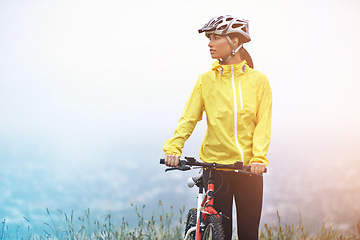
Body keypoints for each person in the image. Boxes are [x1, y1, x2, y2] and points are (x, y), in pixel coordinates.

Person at [163, 15, 272, 240]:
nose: (210, 44)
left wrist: (259, 159)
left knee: (249, 236)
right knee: (221, 236)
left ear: (234, 41)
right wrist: (173, 148)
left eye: (215, 38)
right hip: (216, 169)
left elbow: (263, 124)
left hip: (248, 170)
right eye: (209, 39)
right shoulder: (206, 80)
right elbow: (188, 119)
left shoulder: (259, 81)